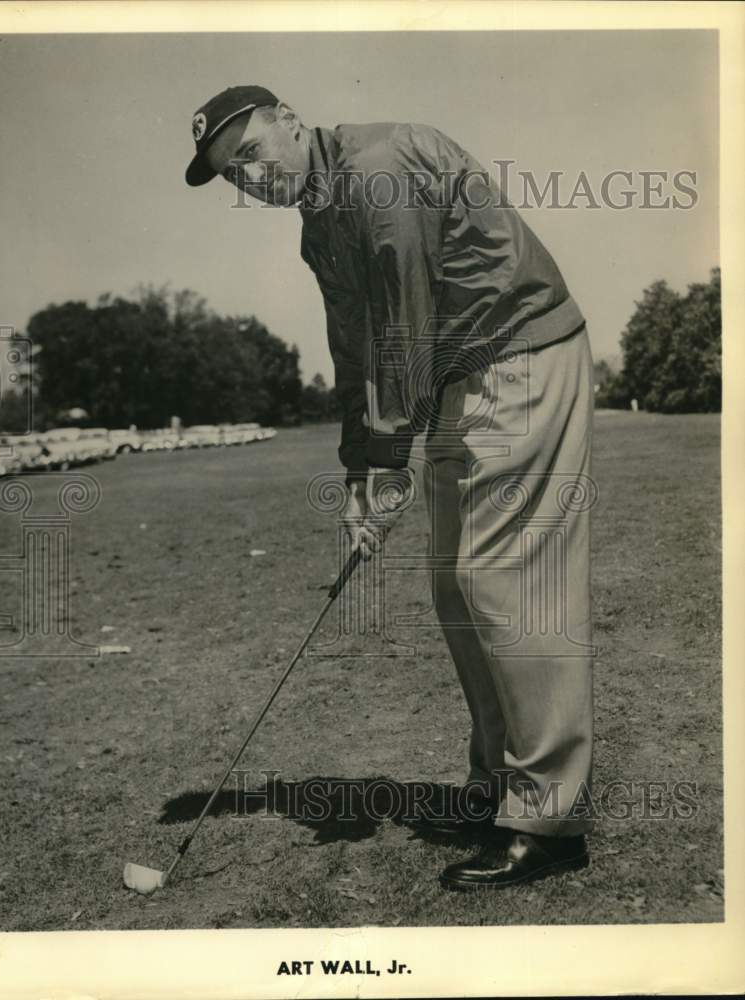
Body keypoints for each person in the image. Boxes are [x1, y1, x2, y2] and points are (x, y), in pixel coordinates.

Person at [185, 85, 596, 888]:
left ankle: (548, 819)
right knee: (454, 586)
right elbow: (354, 346)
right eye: (232, 174)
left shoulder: (376, 170)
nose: (250, 178)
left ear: (292, 124)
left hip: (518, 355)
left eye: (251, 152)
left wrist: (387, 459)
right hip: (456, 380)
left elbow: (402, 325)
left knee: (503, 580)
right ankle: (495, 791)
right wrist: (355, 469)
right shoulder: (319, 222)